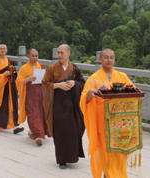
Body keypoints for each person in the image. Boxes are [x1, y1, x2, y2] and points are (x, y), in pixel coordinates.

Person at [80, 48, 137, 178]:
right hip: (102, 123)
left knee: (119, 151)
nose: (109, 60)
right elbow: (83, 99)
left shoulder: (122, 76)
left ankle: (116, 175)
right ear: (100, 59)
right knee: (104, 151)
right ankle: (107, 173)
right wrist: (89, 94)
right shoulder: (93, 78)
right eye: (106, 57)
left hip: (119, 123)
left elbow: (133, 91)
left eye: (111, 57)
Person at [42, 44, 85, 169]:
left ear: (68, 53)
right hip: (58, 104)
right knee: (60, 131)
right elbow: (44, 85)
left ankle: (72, 156)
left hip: (71, 104)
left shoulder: (75, 69)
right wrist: (57, 86)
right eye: (58, 53)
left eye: (62, 53)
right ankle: (61, 160)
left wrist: (74, 83)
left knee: (73, 130)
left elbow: (82, 83)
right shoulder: (52, 68)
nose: (59, 55)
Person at [0, 44, 24, 134]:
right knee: (3, 107)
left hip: (10, 86)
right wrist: (3, 75)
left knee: (13, 105)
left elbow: (14, 73)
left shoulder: (9, 61)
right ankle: (0, 126)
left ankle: (15, 126)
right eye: (0, 49)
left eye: (4, 48)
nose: (2, 50)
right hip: (1, 87)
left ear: (6, 50)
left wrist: (12, 72)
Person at [16, 48, 46, 146]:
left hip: (40, 94)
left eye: (36, 56)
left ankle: (35, 132)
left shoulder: (40, 66)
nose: (35, 58)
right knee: (32, 113)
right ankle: (39, 135)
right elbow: (18, 82)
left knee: (40, 113)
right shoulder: (24, 68)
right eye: (33, 56)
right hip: (29, 95)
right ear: (28, 56)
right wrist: (27, 79)